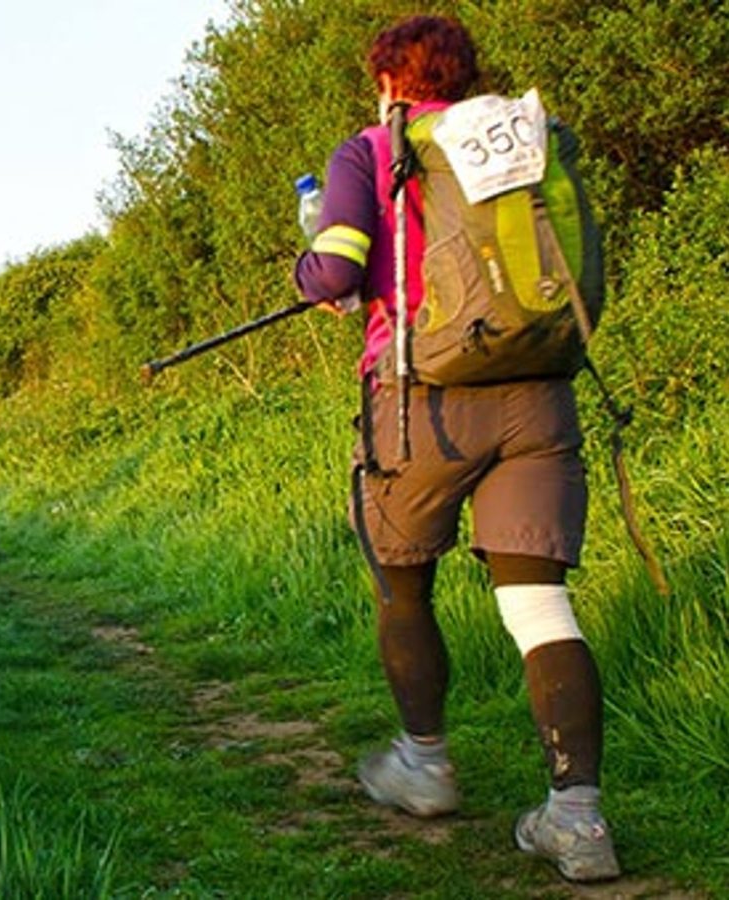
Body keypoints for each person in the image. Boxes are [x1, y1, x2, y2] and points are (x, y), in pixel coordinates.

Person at [293, 15, 619, 883]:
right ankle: (578, 818)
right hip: (540, 392)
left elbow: (332, 272)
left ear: (391, 83)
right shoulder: (526, 137)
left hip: (421, 403)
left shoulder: (372, 148)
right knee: (540, 607)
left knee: (403, 583)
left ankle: (426, 765)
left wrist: (311, 272)